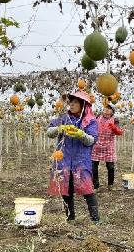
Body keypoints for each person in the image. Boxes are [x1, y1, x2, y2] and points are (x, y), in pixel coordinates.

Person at [47, 90, 100, 223]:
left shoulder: (90, 121)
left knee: (87, 189)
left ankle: (95, 219)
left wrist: (80, 134)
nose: (71, 105)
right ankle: (70, 218)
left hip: (81, 160)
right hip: (64, 159)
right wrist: (59, 129)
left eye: (75, 102)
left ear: (83, 104)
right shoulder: (64, 118)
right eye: (70, 102)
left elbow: (91, 140)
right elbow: (49, 132)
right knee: (66, 189)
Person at [91, 104, 123, 191]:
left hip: (109, 146)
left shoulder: (115, 120)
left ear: (112, 112)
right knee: (93, 167)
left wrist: (114, 128)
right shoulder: (97, 117)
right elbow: (92, 127)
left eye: (109, 109)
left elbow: (120, 132)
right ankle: (96, 185)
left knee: (111, 167)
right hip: (96, 145)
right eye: (105, 108)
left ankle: (110, 184)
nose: (106, 110)